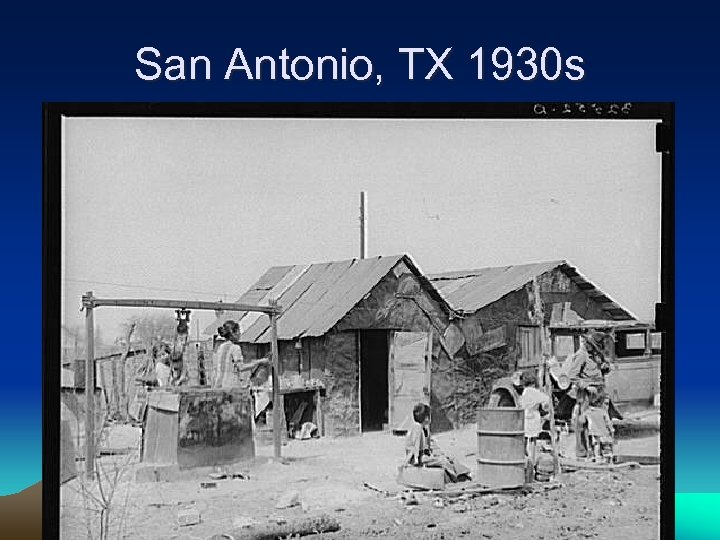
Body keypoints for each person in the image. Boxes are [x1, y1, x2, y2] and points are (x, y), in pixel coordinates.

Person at [567, 331, 611, 458]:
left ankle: (601, 450)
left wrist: (605, 367)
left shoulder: (597, 355)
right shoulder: (581, 355)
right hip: (586, 393)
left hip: (599, 391)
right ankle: (584, 452)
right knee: (583, 422)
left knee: (601, 422)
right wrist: (586, 386)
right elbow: (572, 377)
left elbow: (602, 370)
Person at [404, 403, 470, 482]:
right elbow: (415, 446)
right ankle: (455, 478)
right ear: (426, 418)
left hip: (425, 455)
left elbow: (431, 445)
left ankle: (463, 472)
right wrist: (416, 460)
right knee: (443, 461)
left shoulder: (425, 429)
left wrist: (441, 454)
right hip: (419, 458)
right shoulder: (416, 429)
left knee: (450, 458)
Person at [212, 320, 270, 389]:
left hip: (218, 386)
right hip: (230, 387)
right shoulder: (235, 348)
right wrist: (259, 361)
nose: (240, 334)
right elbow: (241, 367)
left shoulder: (220, 347)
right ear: (234, 333)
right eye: (239, 331)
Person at [517, 371, 551, 462]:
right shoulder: (534, 392)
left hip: (525, 416)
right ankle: (531, 459)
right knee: (532, 440)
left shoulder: (525, 392)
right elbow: (547, 399)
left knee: (524, 438)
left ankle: (522, 456)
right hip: (533, 417)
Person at [582, 392, 615, 462]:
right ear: (600, 403)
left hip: (593, 433)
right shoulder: (603, 412)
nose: (607, 407)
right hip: (604, 433)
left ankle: (596, 458)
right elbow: (608, 423)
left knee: (595, 446)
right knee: (606, 448)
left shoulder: (588, 412)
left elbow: (581, 420)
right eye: (605, 404)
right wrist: (612, 430)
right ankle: (607, 460)